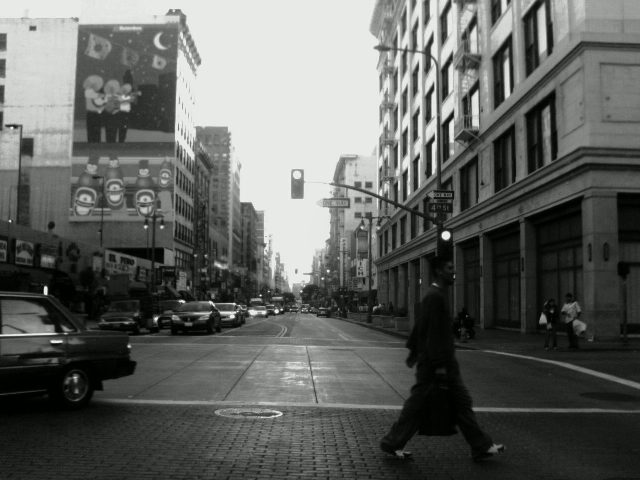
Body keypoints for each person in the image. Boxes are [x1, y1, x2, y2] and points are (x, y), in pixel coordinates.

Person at [380, 257, 504, 462]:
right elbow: (433, 332)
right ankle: (392, 441)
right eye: (449, 267)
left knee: (457, 404)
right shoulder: (435, 296)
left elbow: (421, 326)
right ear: (438, 271)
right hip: (436, 365)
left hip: (438, 363)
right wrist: (439, 367)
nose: (453, 271)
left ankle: (480, 445)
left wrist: (414, 351)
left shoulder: (435, 294)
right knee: (422, 406)